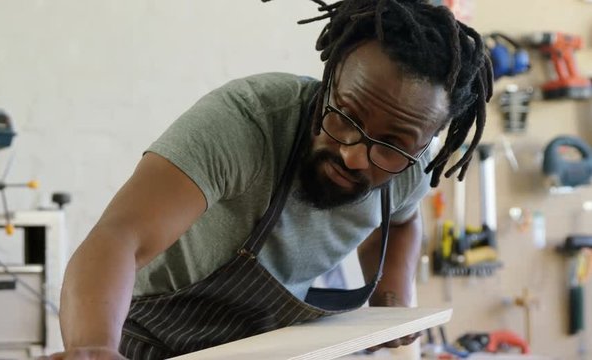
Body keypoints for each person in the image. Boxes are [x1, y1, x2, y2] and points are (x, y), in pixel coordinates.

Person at [52, 0, 492, 359]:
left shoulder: (407, 166)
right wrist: (92, 348)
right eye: (346, 117)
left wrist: (392, 301)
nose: (355, 155)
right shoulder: (249, 122)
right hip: (150, 345)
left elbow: (400, 221)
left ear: (424, 143)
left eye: (392, 145)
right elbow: (119, 236)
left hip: (267, 349)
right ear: (329, 79)